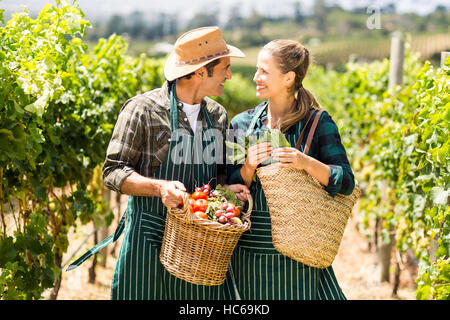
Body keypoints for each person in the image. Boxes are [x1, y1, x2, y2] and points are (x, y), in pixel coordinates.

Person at [67, 26, 249, 300]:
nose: (230, 75)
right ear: (201, 71)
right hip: (147, 243)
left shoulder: (218, 116)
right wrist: (160, 188)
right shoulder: (143, 109)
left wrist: (229, 190)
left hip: (198, 252)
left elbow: (220, 175)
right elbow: (113, 171)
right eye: (225, 67)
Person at [226, 39, 355, 300]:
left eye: (264, 71)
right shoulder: (243, 123)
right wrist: (249, 166)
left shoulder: (318, 123)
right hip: (248, 255)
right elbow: (228, 185)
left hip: (297, 255)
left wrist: (306, 163)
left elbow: (346, 181)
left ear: (288, 78)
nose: (255, 77)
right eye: (256, 70)